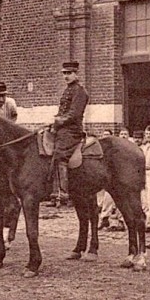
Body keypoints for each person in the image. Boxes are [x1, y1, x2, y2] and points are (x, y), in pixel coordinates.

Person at [50, 61, 88, 203]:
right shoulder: (68, 90)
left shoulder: (80, 91)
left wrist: (59, 121)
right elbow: (63, 111)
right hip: (63, 128)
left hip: (72, 130)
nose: (66, 76)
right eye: (64, 73)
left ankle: (62, 191)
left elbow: (74, 114)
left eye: (69, 73)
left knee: (60, 154)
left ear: (76, 74)